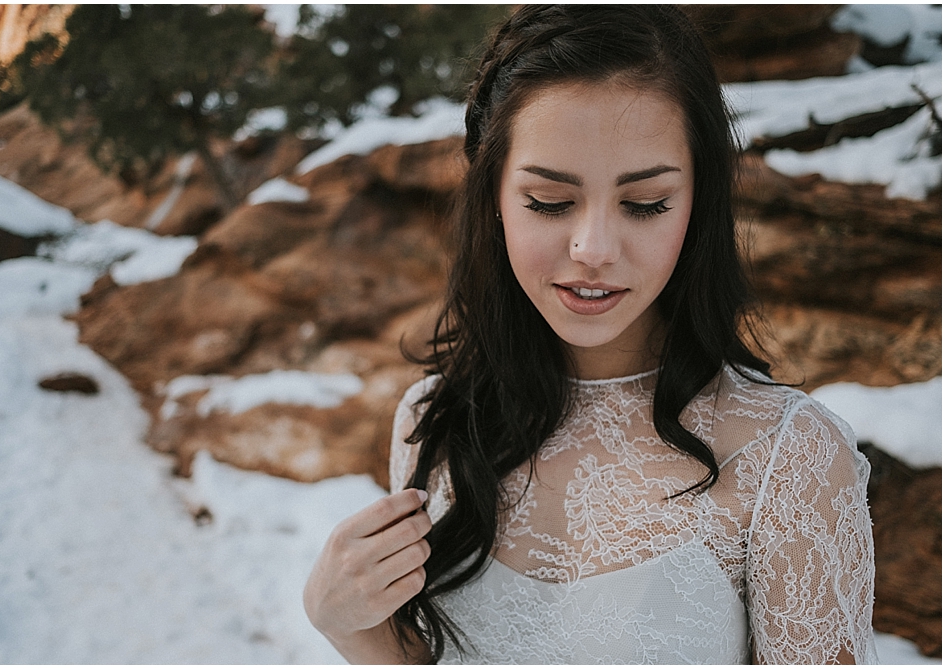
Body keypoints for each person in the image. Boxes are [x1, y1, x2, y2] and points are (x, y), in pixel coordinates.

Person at [304, 5, 877, 664]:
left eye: (645, 204)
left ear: (698, 202)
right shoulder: (436, 423)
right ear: (493, 195)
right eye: (550, 201)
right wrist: (348, 626)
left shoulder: (787, 458)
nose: (593, 248)